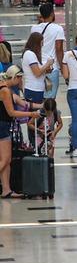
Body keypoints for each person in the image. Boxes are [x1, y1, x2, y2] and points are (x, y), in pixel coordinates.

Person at [0, 67, 41, 198]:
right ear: (14, 77)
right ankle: (6, 189)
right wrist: (31, 114)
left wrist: (39, 106)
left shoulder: (5, 89)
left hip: (3, 125)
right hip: (2, 125)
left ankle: (6, 189)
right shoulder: (5, 90)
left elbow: (23, 103)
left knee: (6, 160)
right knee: (5, 159)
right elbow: (11, 112)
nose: (21, 81)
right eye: (20, 78)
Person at [21, 32, 53, 144]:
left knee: (38, 117)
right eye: (41, 42)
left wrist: (47, 68)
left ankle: (37, 142)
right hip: (33, 90)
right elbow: (37, 72)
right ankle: (33, 142)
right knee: (34, 117)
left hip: (38, 89)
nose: (42, 45)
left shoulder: (33, 54)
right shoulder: (29, 54)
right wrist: (47, 64)